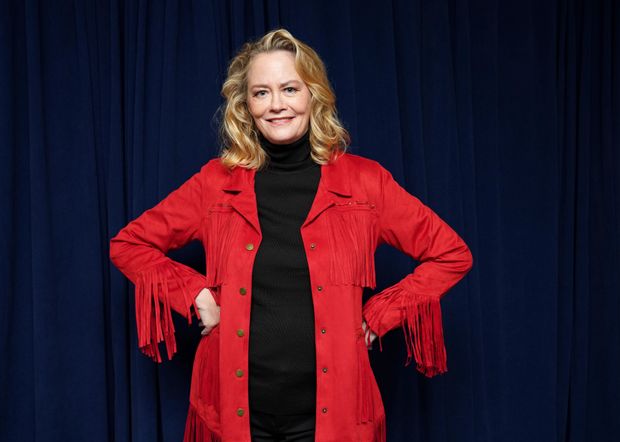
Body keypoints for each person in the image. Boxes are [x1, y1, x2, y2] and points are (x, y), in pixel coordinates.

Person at [109, 28, 473, 442]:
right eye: (261, 93)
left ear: (313, 94)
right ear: (245, 104)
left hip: (333, 418)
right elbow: (129, 244)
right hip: (234, 413)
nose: (277, 105)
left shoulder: (366, 183)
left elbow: (451, 253)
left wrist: (381, 314)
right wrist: (193, 294)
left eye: (289, 89)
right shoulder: (215, 184)